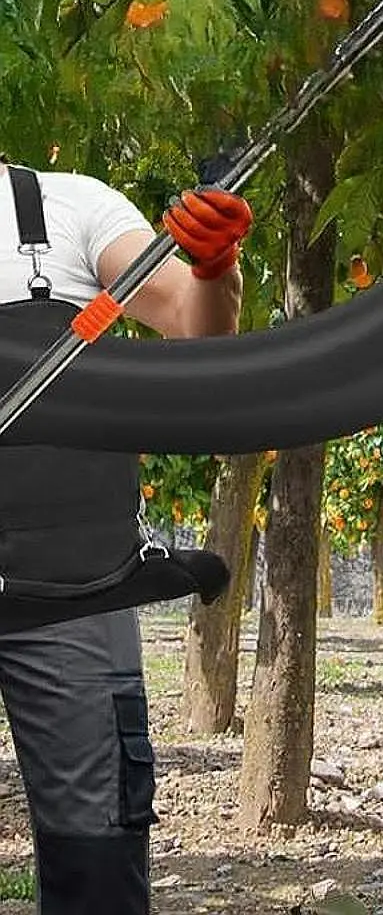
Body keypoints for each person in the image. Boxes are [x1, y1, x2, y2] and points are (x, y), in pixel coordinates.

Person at [0, 159, 253, 914]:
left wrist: (215, 269)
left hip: (77, 598)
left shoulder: (64, 210)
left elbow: (192, 322)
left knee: (99, 867)